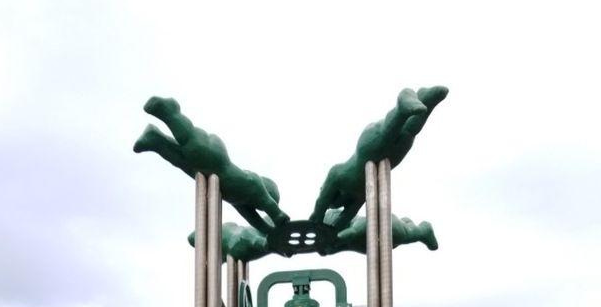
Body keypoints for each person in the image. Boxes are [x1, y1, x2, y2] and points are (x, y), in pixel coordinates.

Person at [134, 96, 288, 231]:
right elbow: (268, 204)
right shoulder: (253, 184)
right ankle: (169, 111)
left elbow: (254, 221)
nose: (260, 208)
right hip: (216, 159)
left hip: (209, 175)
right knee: (194, 146)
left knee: (181, 160)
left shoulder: (241, 201)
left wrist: (269, 232)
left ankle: (154, 138)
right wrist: (278, 216)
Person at [310, 85, 448, 227]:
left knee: (390, 132)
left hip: (368, 150)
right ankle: (426, 100)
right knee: (408, 132)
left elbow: (322, 203)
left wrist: (316, 222)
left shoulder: (338, 174)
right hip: (387, 158)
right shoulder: (359, 193)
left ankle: (402, 104)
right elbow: (343, 216)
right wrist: (325, 228)